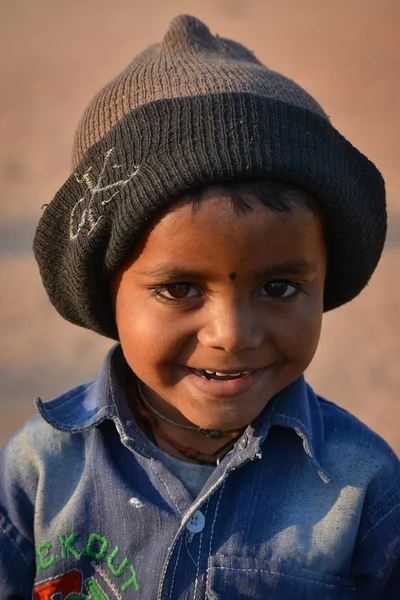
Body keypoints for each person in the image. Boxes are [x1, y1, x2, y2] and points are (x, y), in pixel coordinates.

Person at [0, 14, 398, 599]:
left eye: (280, 287)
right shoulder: (39, 471)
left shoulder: (363, 486)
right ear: (105, 289)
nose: (232, 334)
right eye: (180, 289)